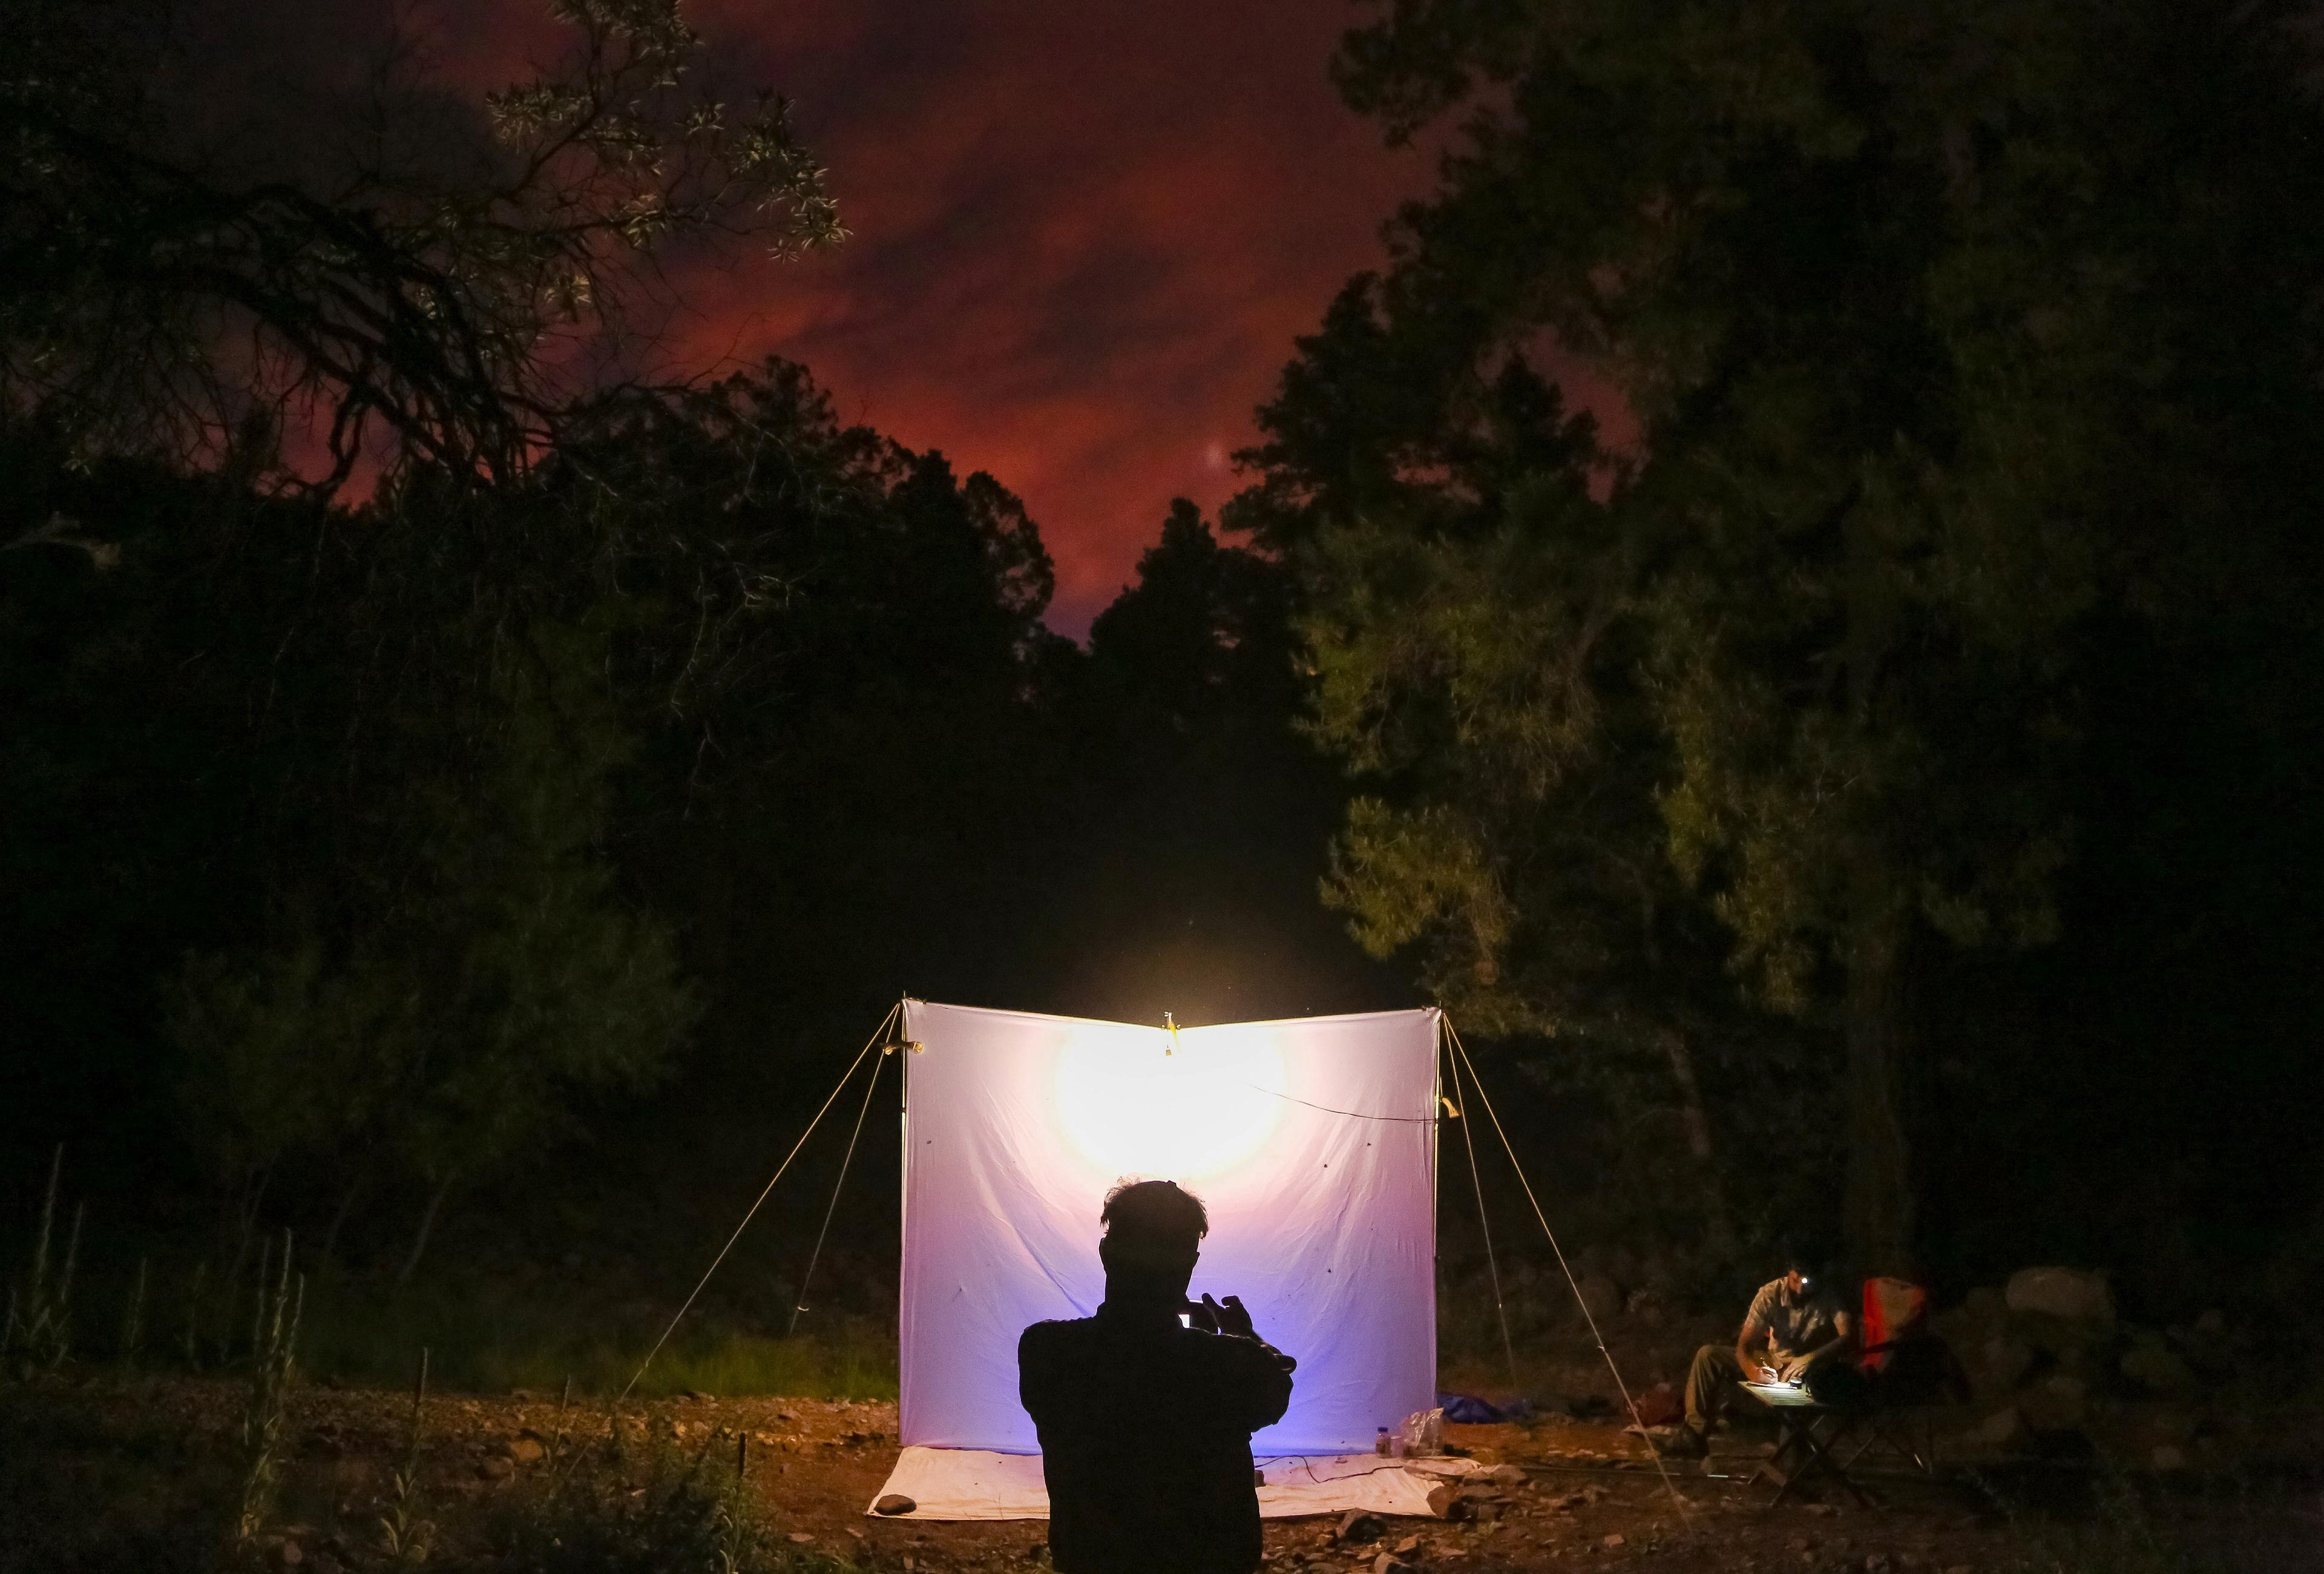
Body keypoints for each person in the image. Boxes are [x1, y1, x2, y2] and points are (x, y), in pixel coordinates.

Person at [1019, 1180, 1296, 1574]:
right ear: (1190, 1262)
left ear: (1106, 1253)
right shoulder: (1229, 1363)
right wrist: (1240, 1336)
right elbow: (1276, 1387)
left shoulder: (1046, 1350)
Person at [1662, 1253, 1854, 1458]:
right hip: (1775, 1361)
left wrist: (1812, 1358)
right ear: (1789, 1273)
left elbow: (1848, 1336)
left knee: (1793, 1463)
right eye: (1795, 1279)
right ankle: (1694, 1435)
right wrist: (1752, 1371)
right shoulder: (1770, 1294)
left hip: (1810, 1371)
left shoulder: (1828, 1295)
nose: (1800, 1288)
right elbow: (1744, 1346)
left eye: (1806, 1282)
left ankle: (1788, 1444)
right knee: (1708, 1355)